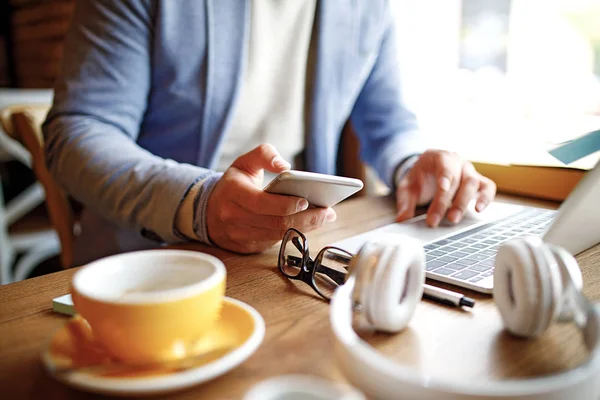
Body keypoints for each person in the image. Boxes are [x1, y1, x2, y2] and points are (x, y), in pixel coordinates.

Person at [43, 1, 496, 264]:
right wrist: (199, 203)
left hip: (293, 255)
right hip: (151, 254)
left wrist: (414, 164)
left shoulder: (367, 7)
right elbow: (79, 130)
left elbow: (388, 121)